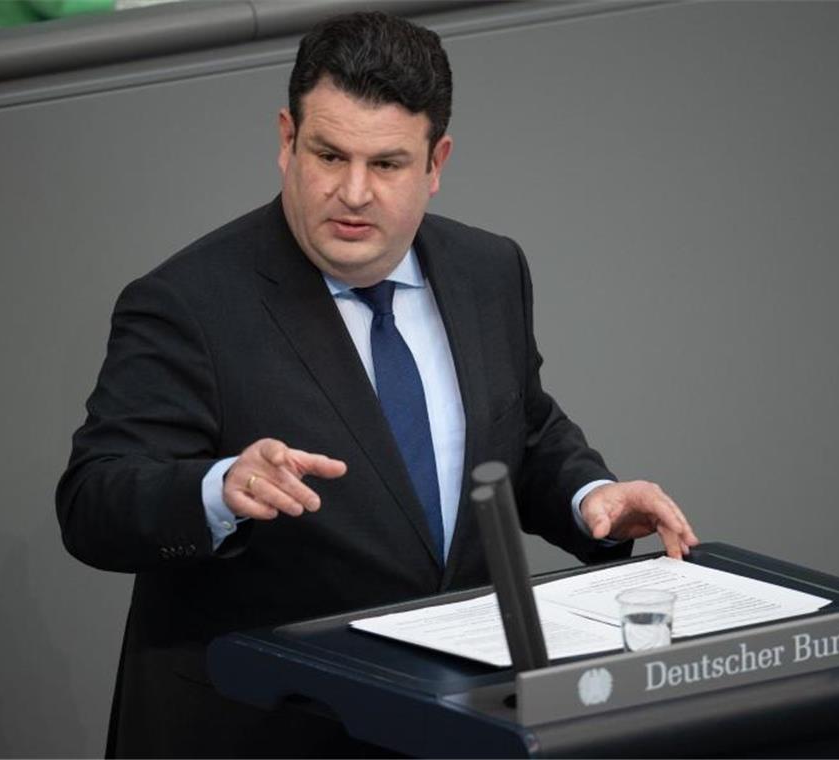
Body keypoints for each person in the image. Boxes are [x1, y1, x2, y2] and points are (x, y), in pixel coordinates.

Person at [56, 10, 699, 758]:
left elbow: (517, 427)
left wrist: (592, 496)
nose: (353, 192)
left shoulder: (489, 271)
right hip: (267, 728)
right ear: (287, 141)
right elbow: (93, 501)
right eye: (328, 155)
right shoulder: (188, 302)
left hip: (456, 717)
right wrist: (219, 487)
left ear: (436, 162)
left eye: (387, 164)